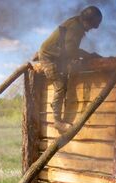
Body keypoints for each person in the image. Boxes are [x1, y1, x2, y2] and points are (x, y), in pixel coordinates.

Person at [38, 5, 102, 134]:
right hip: (49, 57)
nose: (90, 29)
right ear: (87, 21)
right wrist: (88, 56)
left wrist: (85, 56)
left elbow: (67, 49)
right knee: (60, 86)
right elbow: (70, 51)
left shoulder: (76, 22)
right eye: (91, 25)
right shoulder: (75, 28)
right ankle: (57, 121)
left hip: (56, 56)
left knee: (65, 82)